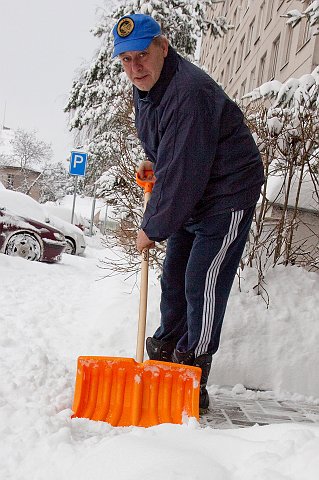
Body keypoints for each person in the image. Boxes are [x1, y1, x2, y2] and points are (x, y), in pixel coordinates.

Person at [112, 13, 265, 410]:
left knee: (202, 280)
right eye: (126, 60)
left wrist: (153, 226)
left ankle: (192, 368)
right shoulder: (148, 87)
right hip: (194, 189)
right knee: (174, 275)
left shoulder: (189, 92)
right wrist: (155, 161)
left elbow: (185, 171)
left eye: (142, 55)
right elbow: (172, 148)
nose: (135, 67)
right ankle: (166, 349)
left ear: (163, 47)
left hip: (227, 193)